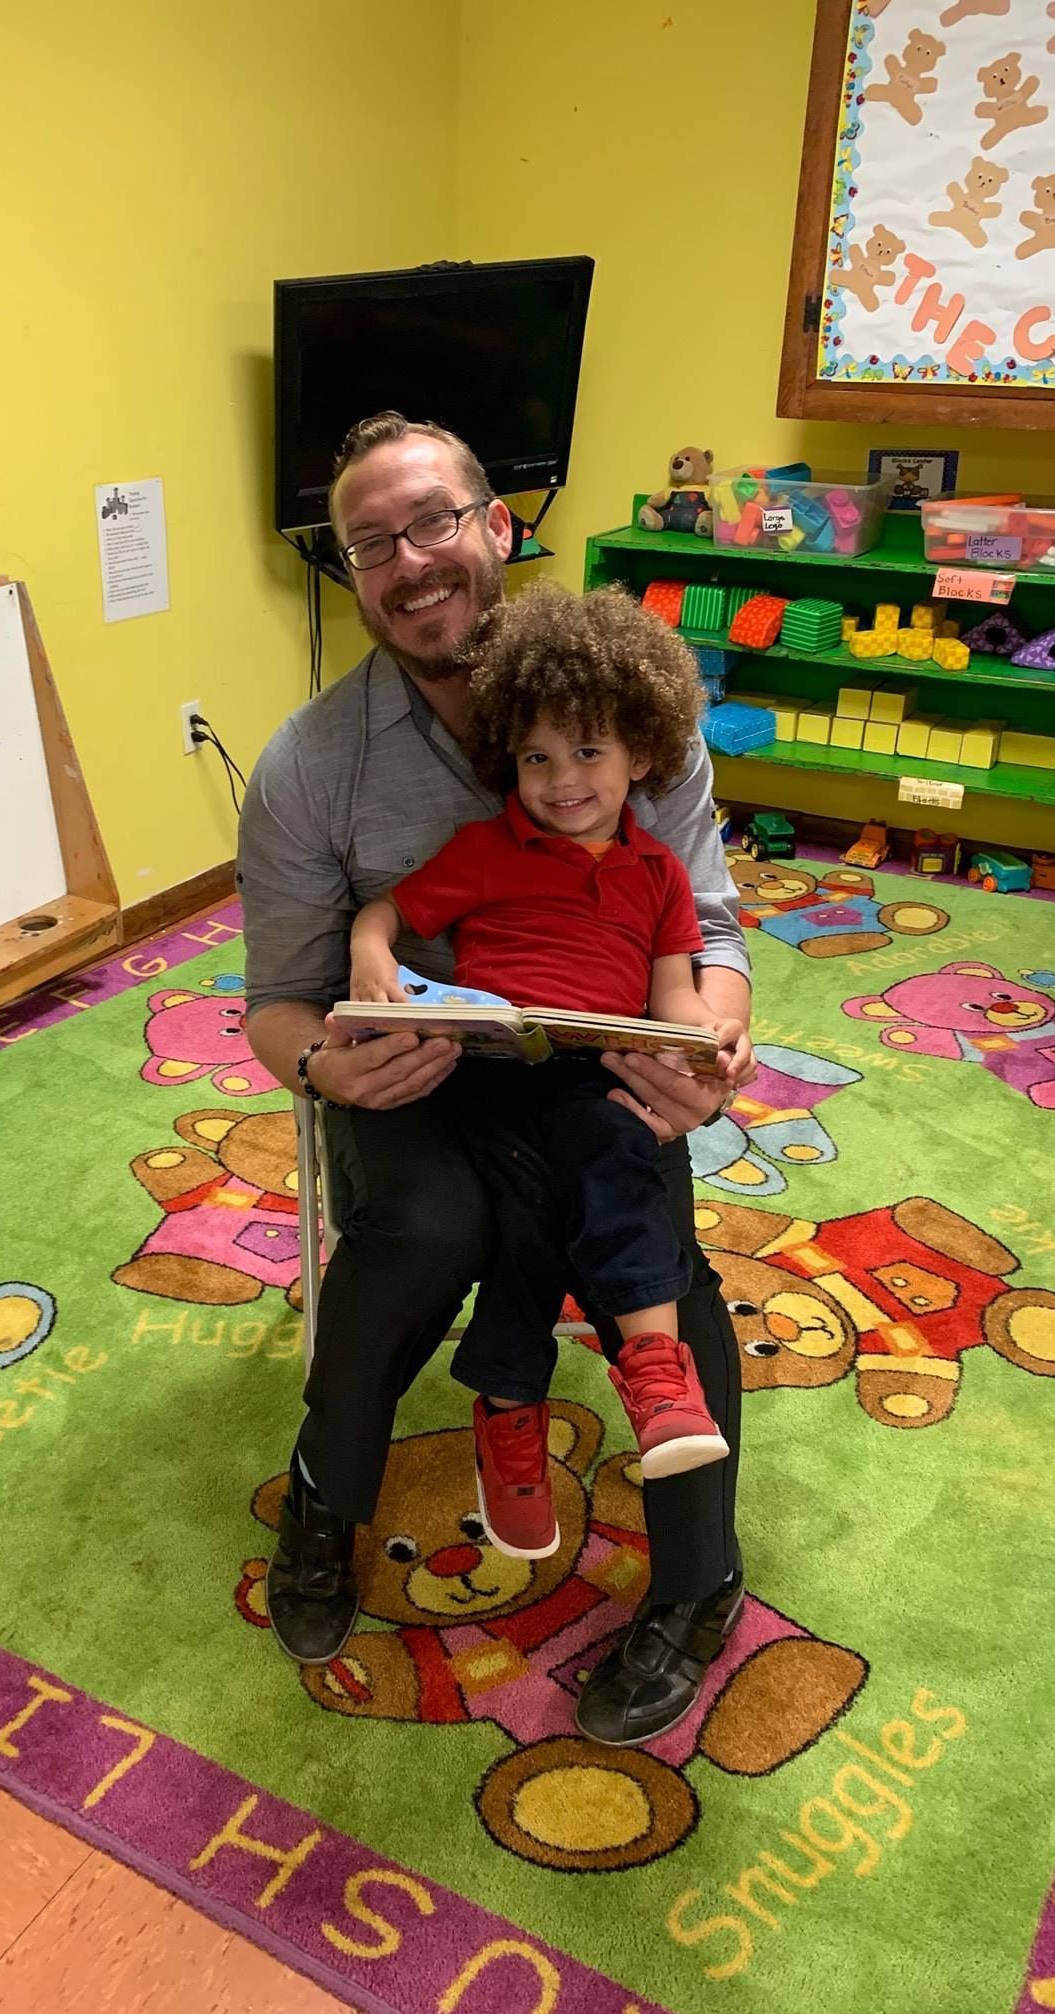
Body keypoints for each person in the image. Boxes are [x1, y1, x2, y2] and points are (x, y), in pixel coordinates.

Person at [238, 410, 757, 1746]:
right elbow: (277, 1002)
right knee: (420, 1231)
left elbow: (708, 917)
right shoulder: (310, 765)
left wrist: (713, 1048)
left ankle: (700, 1582)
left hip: (599, 1063)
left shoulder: (636, 703)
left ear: (496, 528)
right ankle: (324, 1491)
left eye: (432, 523)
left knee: (653, 1248)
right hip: (416, 1082)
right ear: (350, 576)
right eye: (370, 543)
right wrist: (328, 1074)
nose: (408, 562)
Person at [345, 579, 733, 1567]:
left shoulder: (659, 875)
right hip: (488, 1068)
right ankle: (565, 1392)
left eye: (590, 750)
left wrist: (706, 1048)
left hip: (589, 1070)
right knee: (531, 1185)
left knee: (604, 1151)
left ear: (642, 750)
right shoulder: (485, 848)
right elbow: (389, 914)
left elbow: (677, 995)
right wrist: (371, 951)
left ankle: (607, 1381)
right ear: (508, 756)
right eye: (536, 756)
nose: (562, 779)